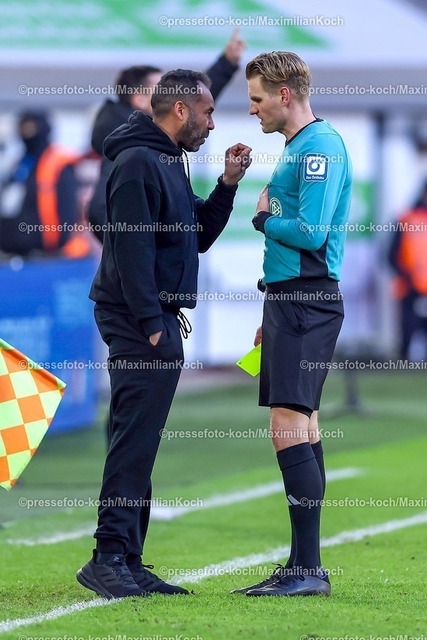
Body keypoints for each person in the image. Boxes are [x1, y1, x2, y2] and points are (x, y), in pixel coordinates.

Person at [76, 69, 251, 599]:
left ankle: (128, 559)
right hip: (139, 321)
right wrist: (153, 326)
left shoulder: (167, 159)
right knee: (132, 439)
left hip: (152, 318)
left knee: (140, 439)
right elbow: (130, 252)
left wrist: (227, 185)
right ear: (180, 110)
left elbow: (197, 235)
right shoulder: (137, 161)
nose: (212, 123)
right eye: (208, 112)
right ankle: (108, 557)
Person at [232, 51, 352, 597]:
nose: (252, 108)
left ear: (284, 94)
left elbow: (311, 232)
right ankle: (304, 565)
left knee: (287, 421)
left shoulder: (319, 147)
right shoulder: (300, 146)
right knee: (303, 422)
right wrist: (270, 304)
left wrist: (262, 218)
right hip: (291, 300)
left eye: (257, 98)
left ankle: (307, 569)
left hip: (306, 300)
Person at [88, 29, 246, 241]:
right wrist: (139, 249)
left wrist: (226, 64)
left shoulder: (157, 144)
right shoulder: (133, 149)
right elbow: (99, 211)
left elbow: (195, 106)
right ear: (140, 100)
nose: (172, 92)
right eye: (162, 88)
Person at [0, 111, 79, 257]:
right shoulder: (20, 164)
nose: (27, 133)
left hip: (46, 251)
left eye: (31, 128)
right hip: (12, 249)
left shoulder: (57, 163)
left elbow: (68, 206)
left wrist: (61, 241)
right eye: (23, 128)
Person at [388, 180, 427, 360]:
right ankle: (403, 363)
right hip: (409, 288)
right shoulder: (406, 219)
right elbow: (390, 256)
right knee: (407, 332)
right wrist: (407, 277)